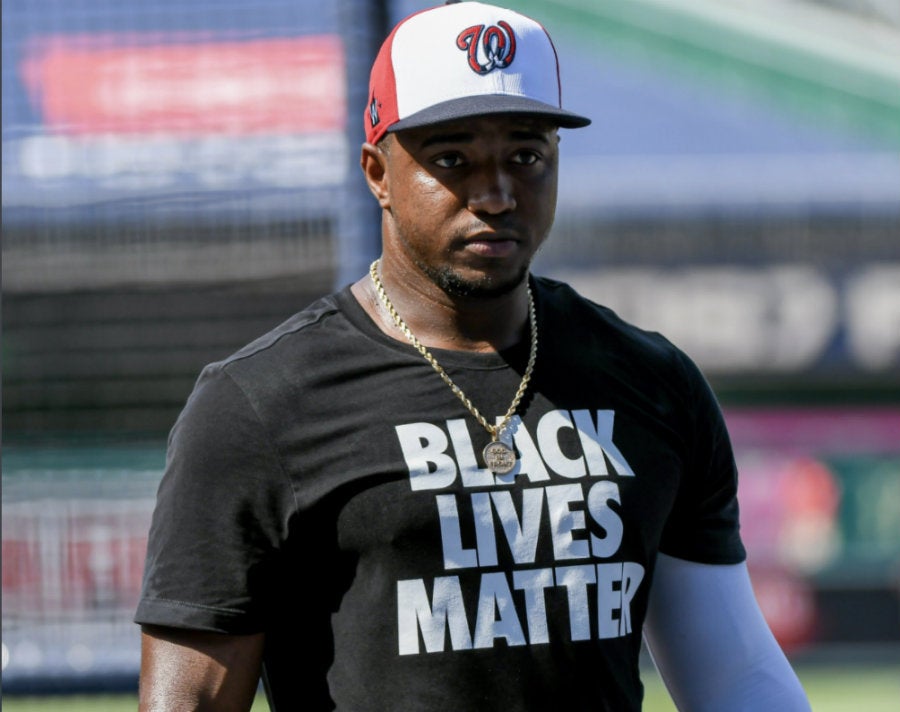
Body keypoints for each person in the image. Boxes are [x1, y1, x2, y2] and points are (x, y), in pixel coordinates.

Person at [135, 2, 812, 710]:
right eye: (452, 159)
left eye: (526, 155)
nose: (494, 193)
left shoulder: (651, 382)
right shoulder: (259, 403)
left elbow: (734, 677)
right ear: (377, 172)